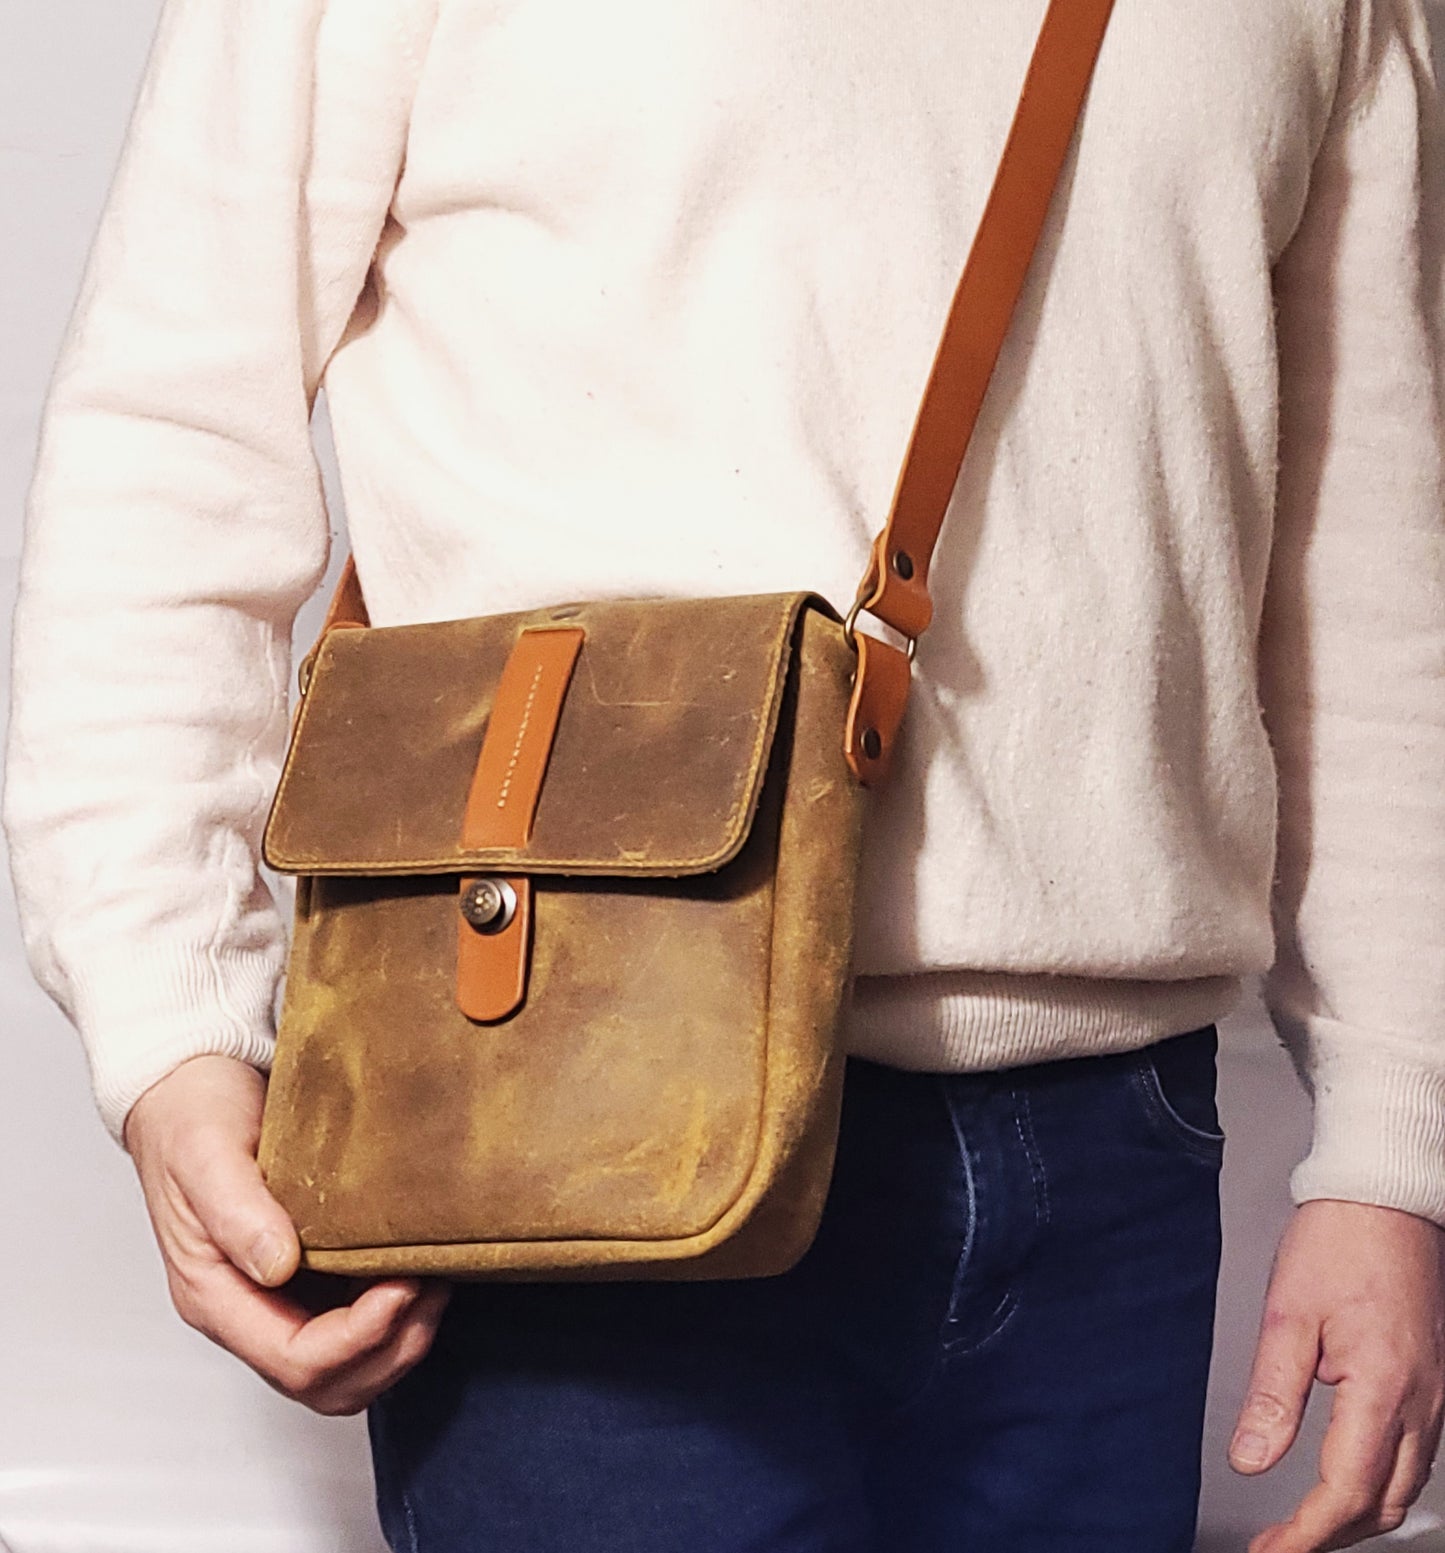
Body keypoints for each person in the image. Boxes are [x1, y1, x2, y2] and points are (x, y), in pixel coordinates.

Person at [6, 0, 1445, 1548]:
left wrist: (1395, 1146)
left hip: (1113, 1151)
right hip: (560, 1076)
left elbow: (1367, 581)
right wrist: (170, 1025)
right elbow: (169, 456)